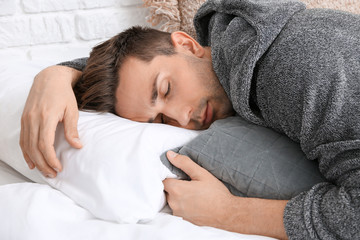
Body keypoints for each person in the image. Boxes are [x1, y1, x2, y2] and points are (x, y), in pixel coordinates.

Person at [20, 0, 359, 239]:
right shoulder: (236, 49)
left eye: (166, 90)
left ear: (187, 43)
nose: (183, 118)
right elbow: (139, 72)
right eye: (159, 121)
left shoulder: (294, 68)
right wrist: (56, 75)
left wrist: (228, 214)